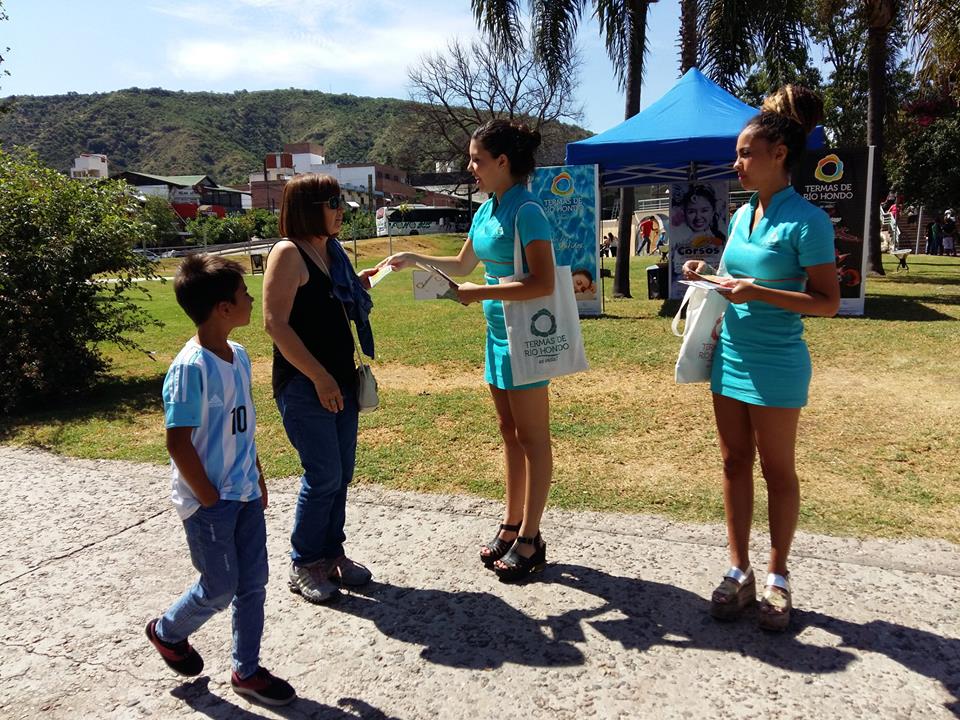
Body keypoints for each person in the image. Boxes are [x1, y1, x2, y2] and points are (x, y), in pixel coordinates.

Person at [683, 85, 840, 631]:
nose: (738, 163)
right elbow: (739, 281)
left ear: (779, 155)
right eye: (738, 154)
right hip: (730, 354)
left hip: (776, 360)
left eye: (746, 153)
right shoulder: (746, 212)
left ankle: (777, 578)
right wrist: (712, 278)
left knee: (777, 470)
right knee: (732, 463)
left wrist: (759, 291)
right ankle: (738, 569)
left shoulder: (808, 221)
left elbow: (827, 302)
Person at [378, 119, 556, 583]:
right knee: (509, 432)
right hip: (498, 334)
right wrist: (414, 258)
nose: (470, 166)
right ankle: (512, 522)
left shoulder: (527, 210)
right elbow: (462, 264)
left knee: (533, 439)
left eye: (477, 159)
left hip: (527, 338)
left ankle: (532, 539)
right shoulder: (486, 211)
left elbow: (544, 282)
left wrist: (481, 294)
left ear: (503, 162)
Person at [146, 254, 296, 706]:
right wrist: (209, 497)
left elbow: (242, 426)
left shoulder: (241, 356)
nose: (251, 299)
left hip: (245, 492)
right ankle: (168, 630)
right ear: (222, 308)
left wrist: (258, 476)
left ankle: (246, 671)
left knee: (254, 583)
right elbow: (178, 443)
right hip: (209, 503)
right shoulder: (190, 369)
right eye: (243, 294)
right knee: (220, 586)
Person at [262, 174, 379, 605]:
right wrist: (319, 376)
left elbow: (334, 297)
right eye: (334, 202)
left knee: (341, 474)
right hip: (304, 383)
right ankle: (304, 562)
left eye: (341, 201)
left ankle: (331, 554)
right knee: (323, 474)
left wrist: (362, 280)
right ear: (310, 205)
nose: (341, 210)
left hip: (341, 378)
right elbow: (275, 323)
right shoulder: (289, 253)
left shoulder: (329, 250)